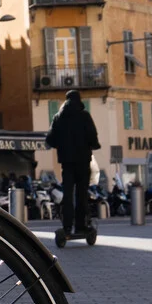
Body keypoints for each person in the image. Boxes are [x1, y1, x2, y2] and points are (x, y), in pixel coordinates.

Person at [43, 91, 100, 236]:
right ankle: (81, 225)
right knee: (82, 193)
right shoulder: (84, 116)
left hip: (66, 162)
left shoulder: (58, 117)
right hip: (83, 160)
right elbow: (92, 135)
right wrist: (93, 145)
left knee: (68, 194)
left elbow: (50, 139)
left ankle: (67, 226)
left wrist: (61, 146)